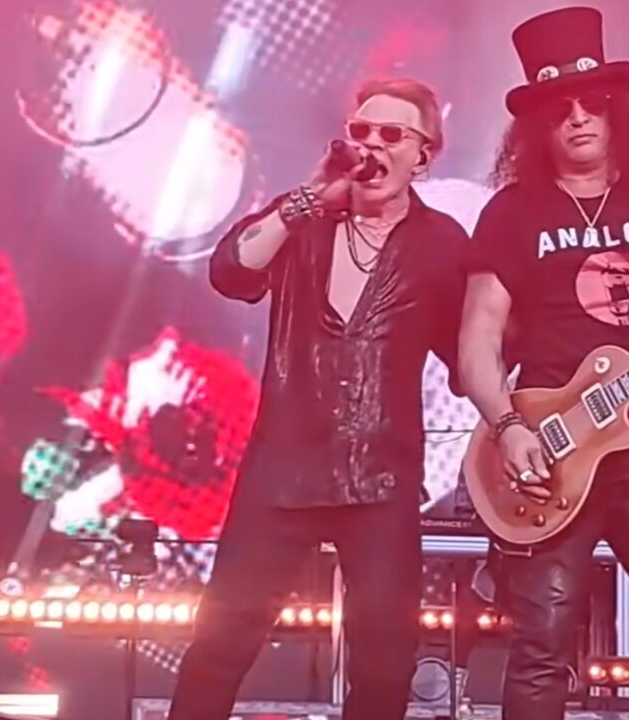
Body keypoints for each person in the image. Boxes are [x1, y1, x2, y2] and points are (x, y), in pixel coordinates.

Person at [459, 7, 629, 720]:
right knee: (539, 654)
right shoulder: (512, 212)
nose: (578, 118)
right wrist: (508, 427)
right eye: (559, 109)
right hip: (551, 450)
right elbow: (477, 340)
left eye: (593, 103)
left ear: (617, 110)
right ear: (535, 126)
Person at [168, 77, 468, 720]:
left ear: (423, 154)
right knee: (221, 643)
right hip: (283, 470)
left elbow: (470, 353)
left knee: (385, 663)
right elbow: (230, 272)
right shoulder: (304, 219)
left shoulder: (441, 243)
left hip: (381, 478)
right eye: (362, 131)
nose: (372, 144)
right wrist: (306, 198)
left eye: (392, 134)